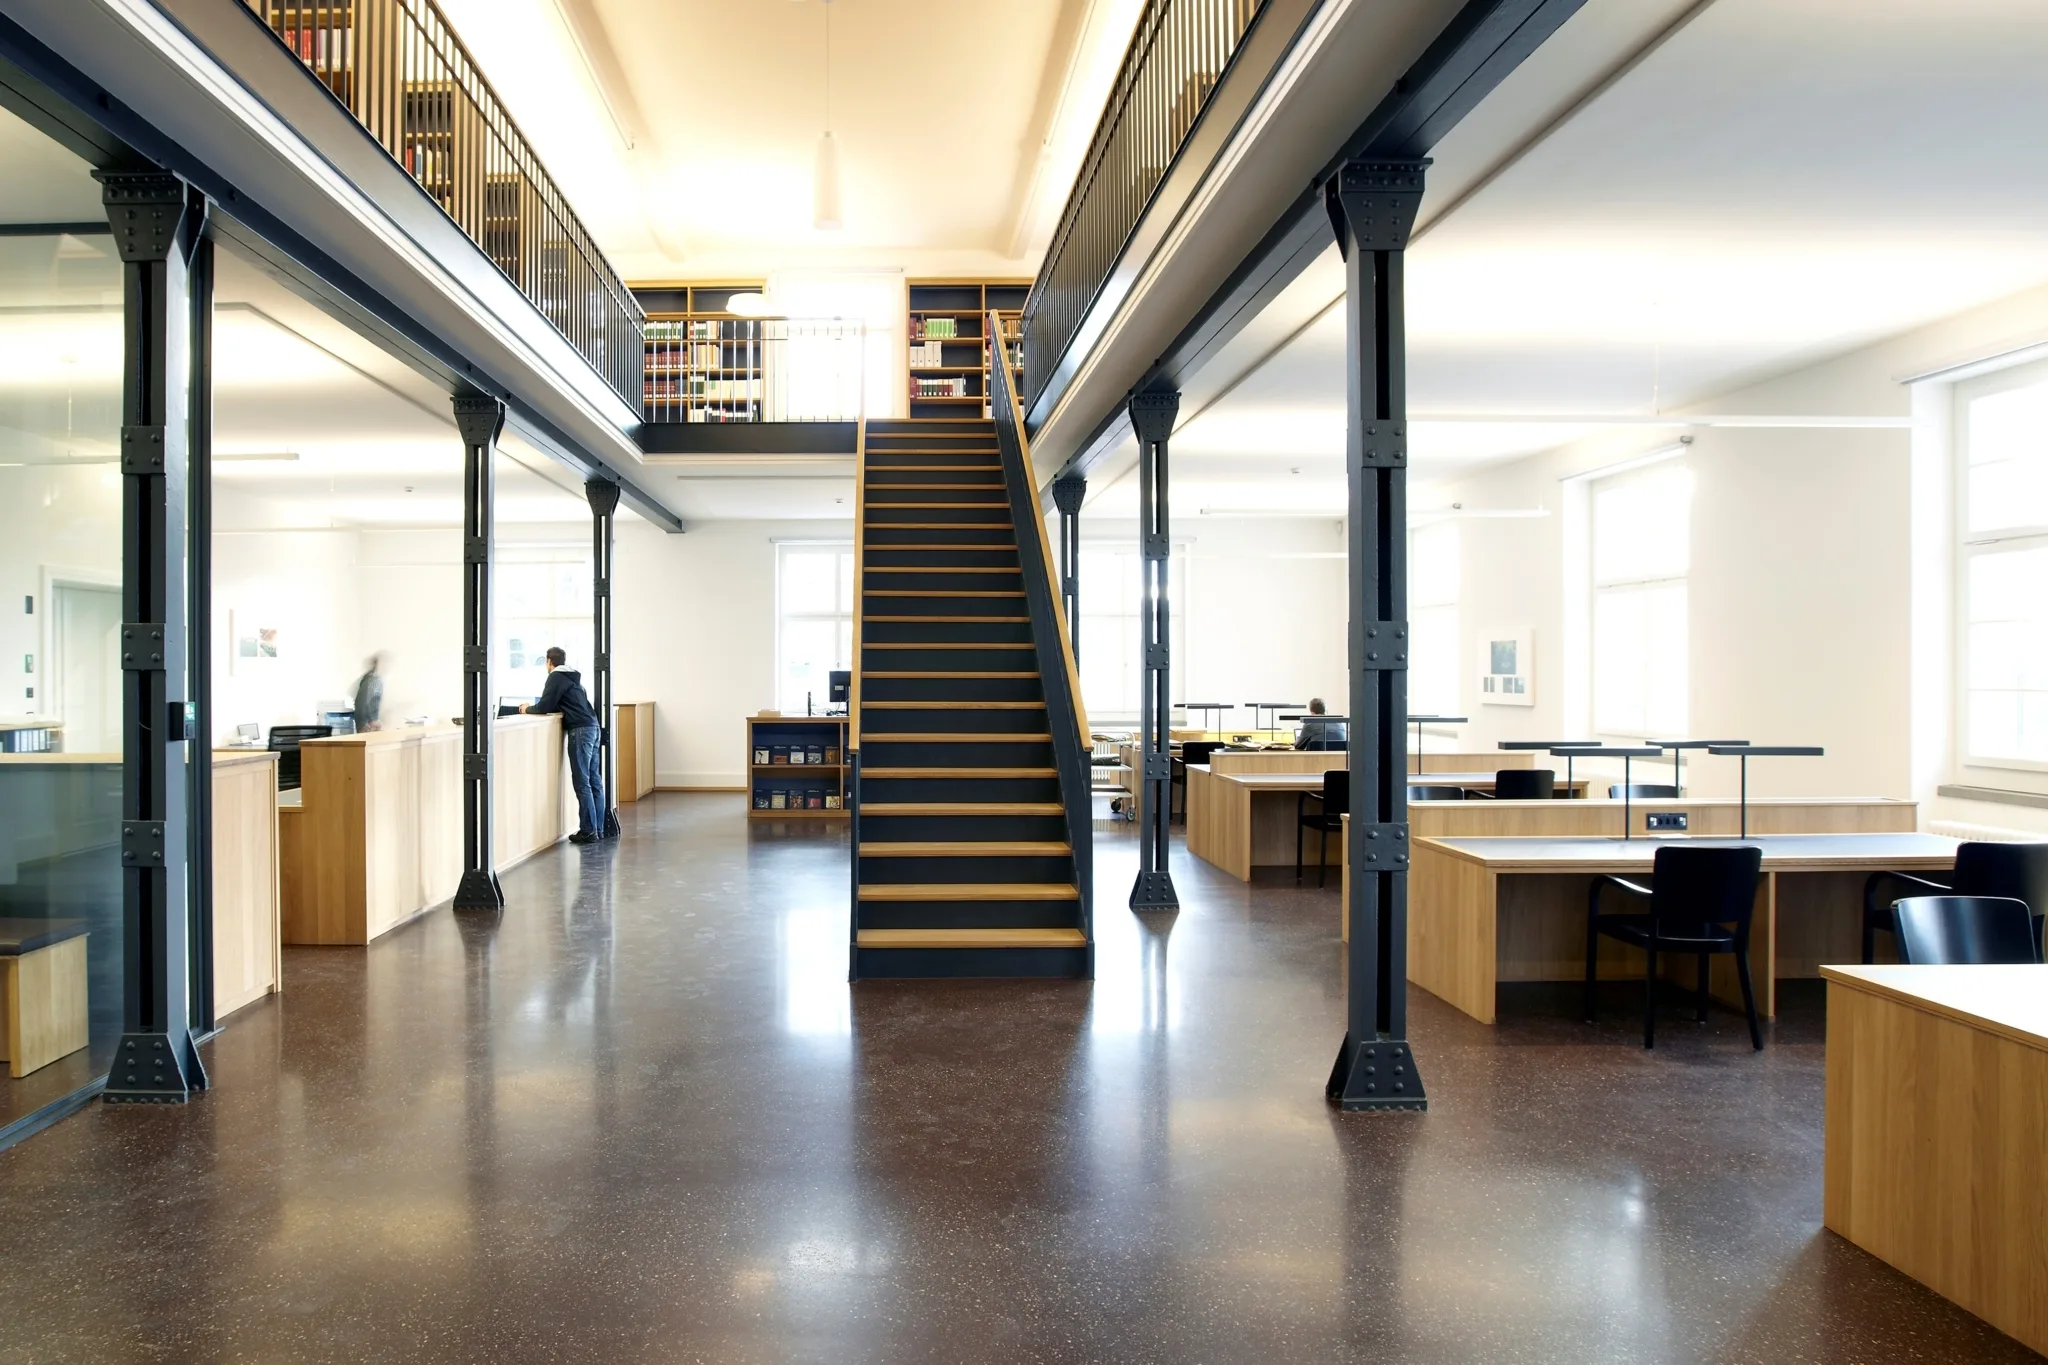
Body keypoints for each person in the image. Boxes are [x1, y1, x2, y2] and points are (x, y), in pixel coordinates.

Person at [522, 646, 606, 844]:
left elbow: (545, 706)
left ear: (548, 661)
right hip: (593, 727)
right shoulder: (573, 678)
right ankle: (598, 829)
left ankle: (588, 831)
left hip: (580, 730)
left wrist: (527, 709)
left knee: (582, 781)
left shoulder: (555, 677)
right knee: (594, 780)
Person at [351, 652, 387, 733]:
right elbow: (363, 701)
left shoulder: (371, 679)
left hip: (367, 725)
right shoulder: (372, 680)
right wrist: (371, 721)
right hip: (367, 726)